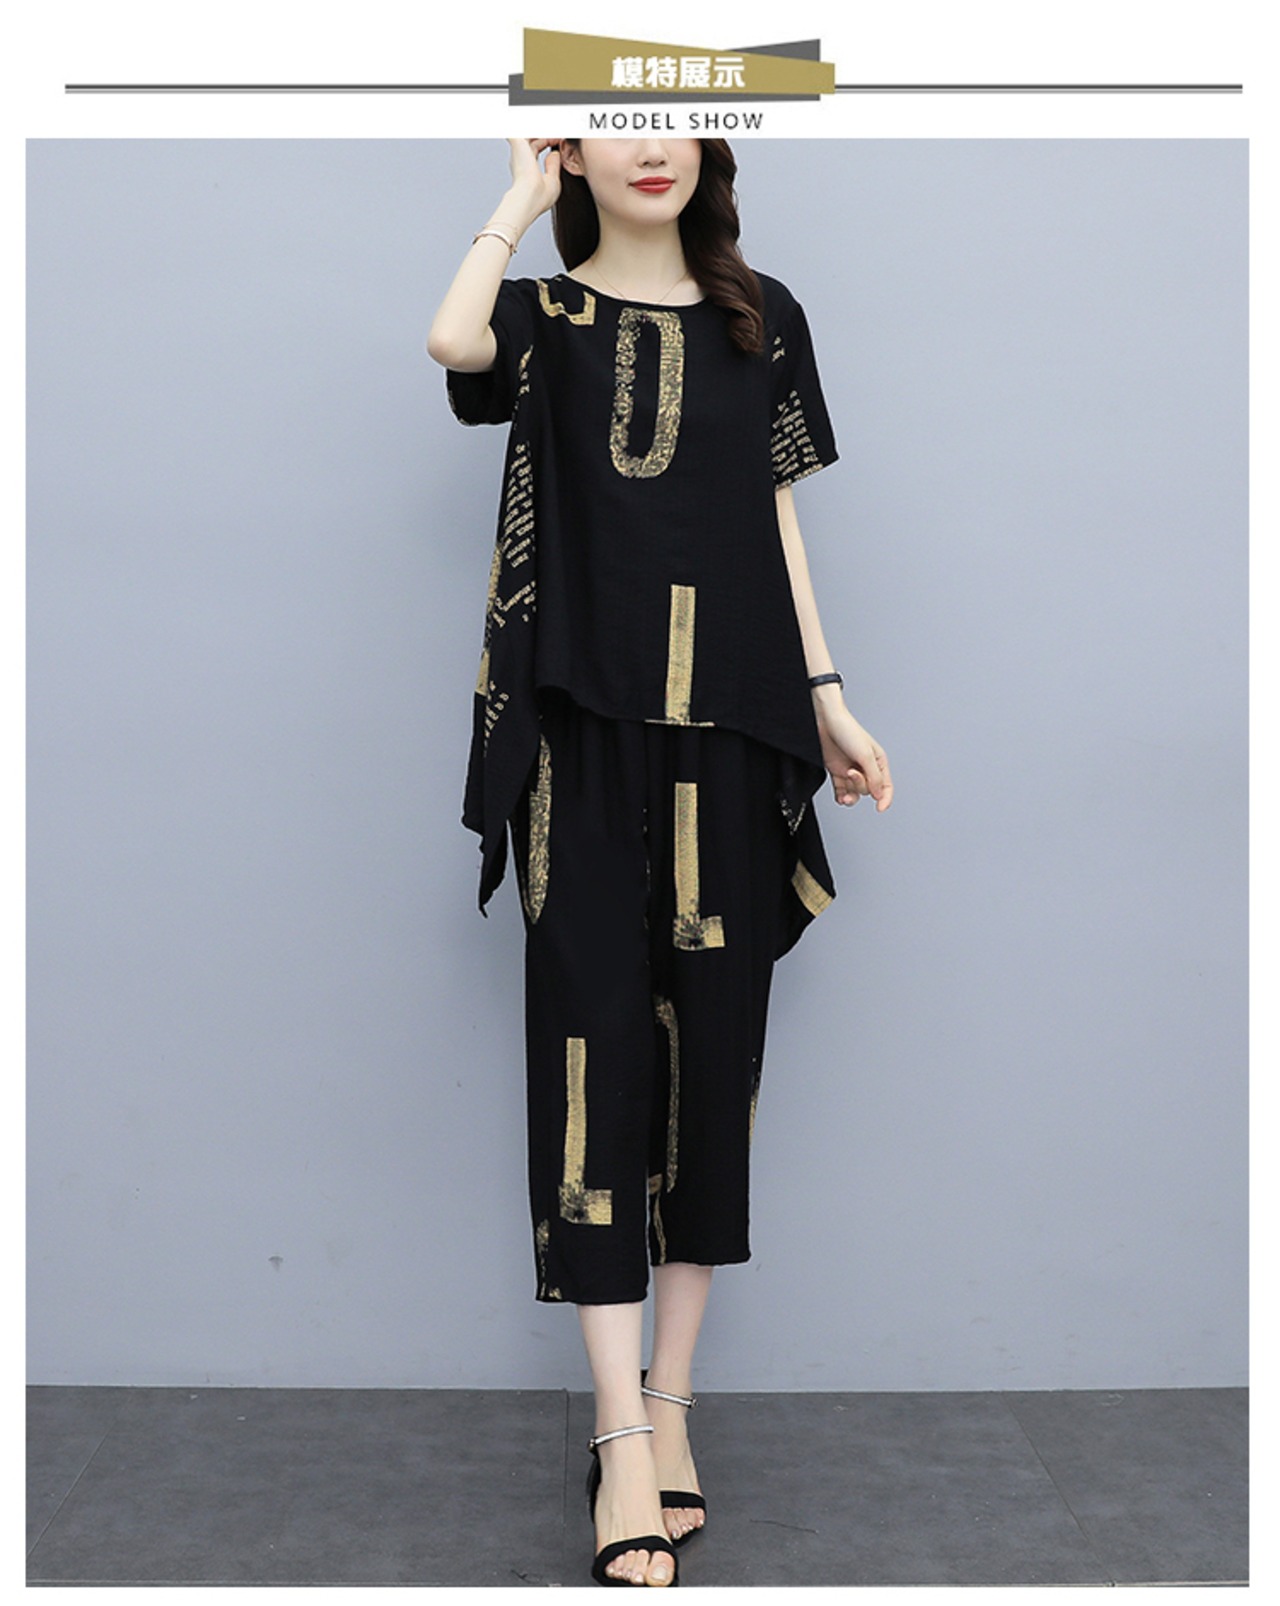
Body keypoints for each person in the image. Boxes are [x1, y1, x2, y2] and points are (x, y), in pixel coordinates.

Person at [427, 137, 893, 1588]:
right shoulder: (547, 318)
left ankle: (672, 1403)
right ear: (578, 146)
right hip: (579, 730)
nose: (649, 146)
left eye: (672, 117)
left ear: (707, 144)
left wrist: (827, 697)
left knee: (711, 1072)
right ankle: (618, 1434)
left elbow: (775, 512)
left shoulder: (767, 314)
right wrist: (520, 197)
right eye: (617, 121)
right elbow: (451, 343)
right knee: (591, 1062)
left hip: (737, 728)